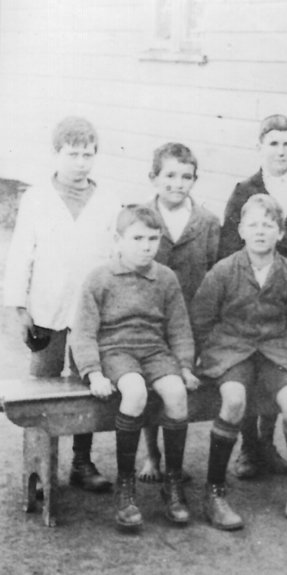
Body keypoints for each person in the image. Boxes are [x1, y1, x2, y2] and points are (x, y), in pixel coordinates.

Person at [4, 116, 120, 493]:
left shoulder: (107, 200)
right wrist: (19, 309)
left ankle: (82, 463)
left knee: (89, 385)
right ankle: (39, 469)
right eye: (73, 154)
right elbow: (21, 255)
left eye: (88, 154)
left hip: (91, 313)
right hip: (47, 310)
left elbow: (114, 257)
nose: (81, 162)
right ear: (57, 154)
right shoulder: (38, 198)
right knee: (43, 390)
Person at [69, 206, 198, 530]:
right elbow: (83, 331)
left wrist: (183, 366)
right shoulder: (100, 278)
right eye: (137, 238)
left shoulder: (165, 278)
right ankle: (126, 488)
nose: (146, 246)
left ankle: (172, 483)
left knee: (176, 394)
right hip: (116, 350)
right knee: (135, 392)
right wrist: (93, 372)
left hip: (154, 349)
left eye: (153, 238)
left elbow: (179, 328)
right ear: (118, 240)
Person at [191, 195, 287, 529]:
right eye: (254, 225)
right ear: (242, 230)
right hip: (232, 348)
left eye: (268, 225)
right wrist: (205, 357)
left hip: (274, 349)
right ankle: (214, 492)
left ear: (281, 232)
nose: (261, 232)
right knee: (233, 400)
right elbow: (202, 318)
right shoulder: (225, 270)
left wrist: (282, 349)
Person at [218, 114, 287, 480]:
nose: (281, 151)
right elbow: (228, 248)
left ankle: (267, 441)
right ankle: (249, 447)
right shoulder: (244, 190)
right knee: (249, 366)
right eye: (274, 143)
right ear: (260, 147)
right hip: (252, 296)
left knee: (280, 368)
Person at [138, 142, 220, 483]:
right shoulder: (141, 218)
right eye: (169, 175)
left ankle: (175, 460)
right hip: (149, 321)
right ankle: (152, 455)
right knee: (150, 383)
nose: (177, 183)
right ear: (154, 178)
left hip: (192, 320)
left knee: (180, 388)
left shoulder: (207, 222)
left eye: (186, 176)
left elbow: (216, 272)